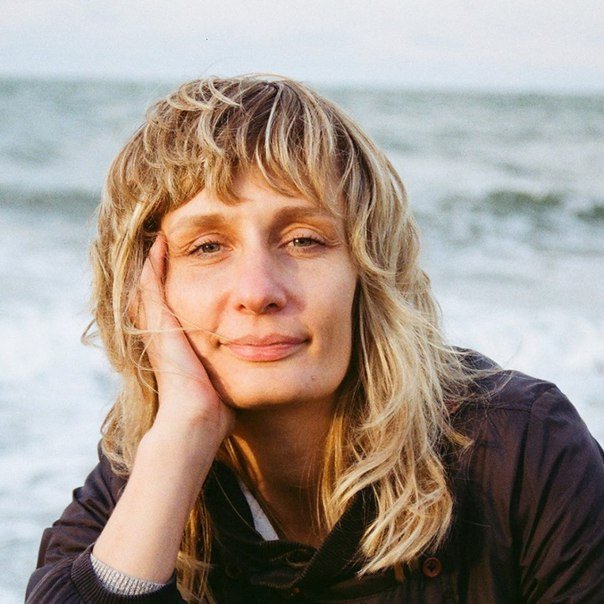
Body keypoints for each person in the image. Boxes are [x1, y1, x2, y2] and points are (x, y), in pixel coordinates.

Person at [26, 75, 604, 603]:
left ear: (369, 271)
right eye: (207, 246)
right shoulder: (148, 467)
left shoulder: (522, 448)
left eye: (304, 240)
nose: (258, 291)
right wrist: (181, 440)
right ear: (143, 290)